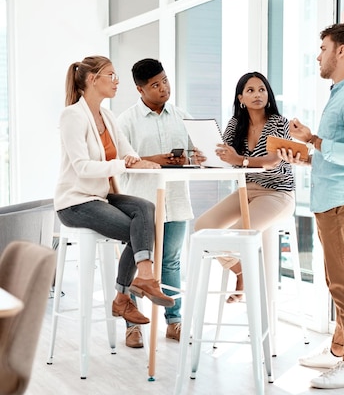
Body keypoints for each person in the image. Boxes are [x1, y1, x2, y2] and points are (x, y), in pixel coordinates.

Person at [279, 22, 344, 390]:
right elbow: (335, 152)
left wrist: (314, 140)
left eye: (323, 47)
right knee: (337, 282)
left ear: (341, 51)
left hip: (343, 202)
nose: (318, 55)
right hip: (330, 200)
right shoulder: (340, 94)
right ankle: (340, 350)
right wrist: (306, 155)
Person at [54, 55, 175, 332]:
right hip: (74, 202)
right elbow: (82, 167)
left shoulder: (107, 116)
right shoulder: (72, 115)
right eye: (112, 75)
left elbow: (125, 149)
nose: (117, 81)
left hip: (100, 196)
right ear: (93, 80)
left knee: (146, 210)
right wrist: (124, 164)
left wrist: (137, 159)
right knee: (137, 228)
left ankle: (134, 286)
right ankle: (126, 293)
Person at [118, 58, 205, 347]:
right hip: (140, 204)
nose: (163, 88)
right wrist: (156, 160)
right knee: (135, 265)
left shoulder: (181, 115)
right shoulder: (126, 121)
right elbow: (120, 162)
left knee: (171, 262)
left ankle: (174, 322)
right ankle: (133, 326)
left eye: (165, 81)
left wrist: (190, 159)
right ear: (140, 89)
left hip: (176, 201)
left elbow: (198, 153)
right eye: (155, 85)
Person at [194, 71, 295, 301]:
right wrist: (207, 159)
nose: (257, 94)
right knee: (203, 226)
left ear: (268, 95)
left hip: (278, 194)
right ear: (241, 98)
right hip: (246, 190)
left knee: (233, 236)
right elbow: (224, 157)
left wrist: (239, 160)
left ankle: (246, 276)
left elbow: (271, 161)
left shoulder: (279, 123)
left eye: (262, 89)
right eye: (250, 90)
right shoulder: (235, 124)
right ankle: (241, 271)